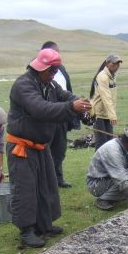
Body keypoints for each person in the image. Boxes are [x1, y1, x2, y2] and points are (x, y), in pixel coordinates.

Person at [7, 48, 92, 248]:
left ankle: (44, 225)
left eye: (55, 71)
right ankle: (27, 231)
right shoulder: (23, 85)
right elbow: (40, 109)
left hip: (40, 144)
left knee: (46, 185)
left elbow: (66, 96)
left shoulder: (50, 84)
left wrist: (79, 105)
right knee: (25, 189)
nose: (54, 75)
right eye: (51, 71)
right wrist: (71, 108)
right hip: (22, 146)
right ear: (41, 68)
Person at [42, 41, 80, 188]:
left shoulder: (61, 68)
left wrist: (75, 104)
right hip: (49, 115)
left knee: (60, 148)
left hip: (63, 113)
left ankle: (58, 178)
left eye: (58, 52)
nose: (58, 55)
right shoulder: (39, 70)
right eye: (54, 52)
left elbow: (65, 89)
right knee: (47, 149)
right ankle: (47, 180)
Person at [90, 54, 123, 149]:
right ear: (108, 63)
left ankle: (107, 163)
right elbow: (106, 97)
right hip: (98, 114)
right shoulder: (102, 77)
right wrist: (113, 115)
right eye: (114, 64)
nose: (116, 66)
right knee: (101, 143)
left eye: (118, 64)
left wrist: (111, 114)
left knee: (109, 142)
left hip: (106, 114)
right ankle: (98, 163)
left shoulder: (112, 76)